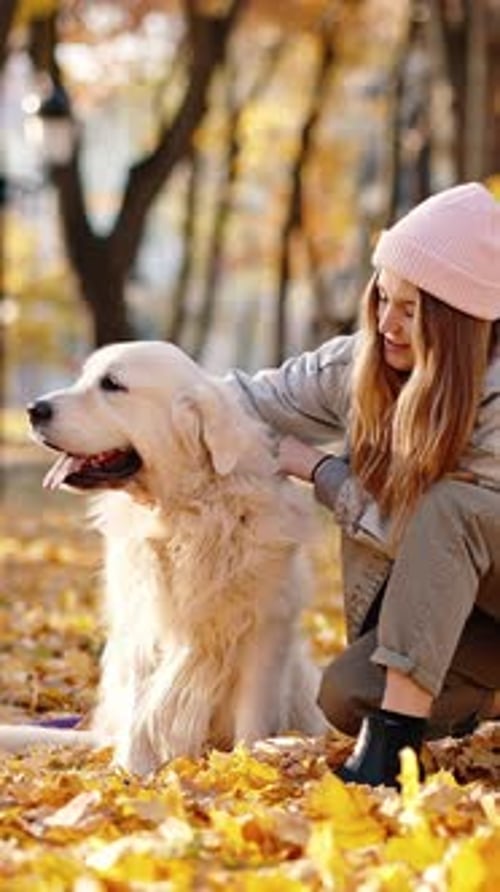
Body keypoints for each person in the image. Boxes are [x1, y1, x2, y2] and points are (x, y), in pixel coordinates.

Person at [231, 182, 500, 787]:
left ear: (458, 321)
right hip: (476, 620)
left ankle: (388, 757)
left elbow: (425, 531)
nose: (387, 324)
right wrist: (144, 410)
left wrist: (326, 474)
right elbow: (246, 398)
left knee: (451, 506)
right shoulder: (363, 365)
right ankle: (472, 705)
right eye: (383, 297)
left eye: (412, 310)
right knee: (348, 694)